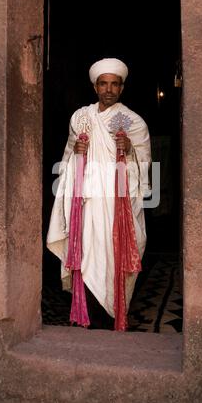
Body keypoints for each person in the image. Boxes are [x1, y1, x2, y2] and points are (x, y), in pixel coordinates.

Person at [47, 57, 151, 330]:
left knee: (113, 254)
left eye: (114, 84)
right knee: (86, 255)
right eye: (103, 84)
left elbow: (145, 164)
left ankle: (113, 312)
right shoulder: (81, 118)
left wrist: (128, 149)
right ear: (95, 87)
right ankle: (88, 314)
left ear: (122, 88)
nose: (108, 89)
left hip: (117, 206)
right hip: (87, 203)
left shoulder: (133, 122)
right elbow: (68, 157)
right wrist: (77, 157)